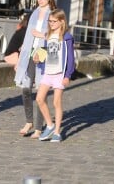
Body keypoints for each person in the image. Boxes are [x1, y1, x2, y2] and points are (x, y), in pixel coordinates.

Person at [14, 0, 57, 139]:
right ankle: (28, 121)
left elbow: (55, 35)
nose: (40, 0)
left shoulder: (53, 14)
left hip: (43, 54)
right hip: (29, 54)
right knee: (25, 88)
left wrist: (40, 35)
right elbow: (27, 37)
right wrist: (21, 56)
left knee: (40, 91)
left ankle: (39, 127)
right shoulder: (34, 14)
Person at [35, 9, 75, 142]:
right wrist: (38, 58)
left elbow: (70, 58)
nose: (51, 23)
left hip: (59, 74)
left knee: (56, 102)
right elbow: (46, 52)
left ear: (61, 21)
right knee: (39, 99)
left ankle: (57, 132)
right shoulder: (48, 35)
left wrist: (67, 75)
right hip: (47, 72)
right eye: (50, 21)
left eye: (54, 21)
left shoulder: (66, 37)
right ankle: (50, 125)